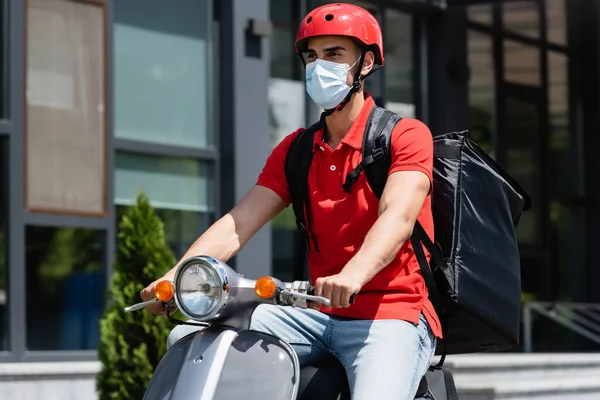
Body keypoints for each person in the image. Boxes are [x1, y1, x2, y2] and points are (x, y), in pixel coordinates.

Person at [140, 3, 442, 399]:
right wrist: (178, 276)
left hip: (390, 315)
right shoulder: (296, 150)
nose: (320, 66)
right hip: (314, 315)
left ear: (366, 63)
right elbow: (238, 222)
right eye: (312, 56)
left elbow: (397, 217)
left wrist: (353, 274)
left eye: (334, 54)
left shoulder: (405, 135)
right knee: (189, 336)